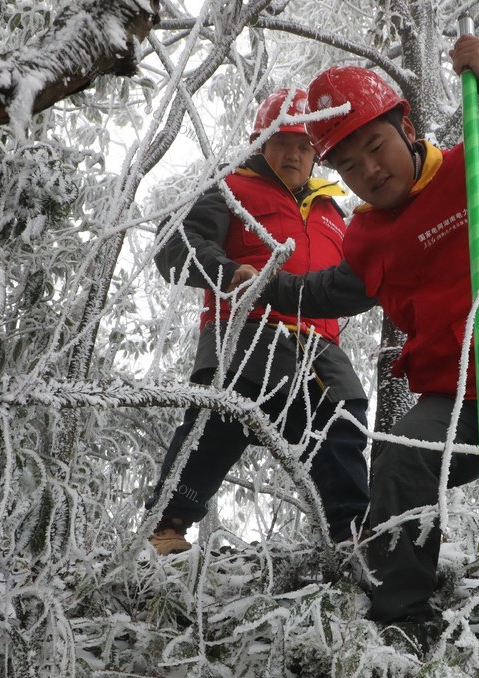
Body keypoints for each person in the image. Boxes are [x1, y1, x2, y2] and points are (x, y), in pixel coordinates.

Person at [242, 37, 479, 678]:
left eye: (375, 146)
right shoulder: (370, 237)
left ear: (406, 128)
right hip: (454, 395)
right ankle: (401, 630)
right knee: (400, 463)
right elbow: (332, 290)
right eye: (345, 164)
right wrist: (266, 286)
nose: (366, 170)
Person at [146, 88, 373, 556]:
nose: (293, 153)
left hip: (321, 346)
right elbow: (175, 246)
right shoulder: (230, 187)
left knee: (341, 427)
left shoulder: (336, 211)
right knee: (220, 420)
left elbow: (365, 276)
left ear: (318, 152)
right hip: (246, 331)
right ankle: (166, 527)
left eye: (305, 144)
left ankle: (349, 540)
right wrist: (229, 273)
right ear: (259, 143)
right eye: (281, 141)